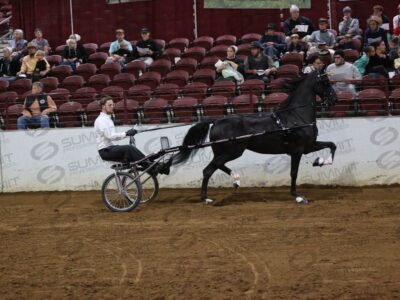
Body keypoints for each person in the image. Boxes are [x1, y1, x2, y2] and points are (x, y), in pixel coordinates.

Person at [94, 96, 171, 175]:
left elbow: (113, 137)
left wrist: (128, 133)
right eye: (109, 105)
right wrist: (127, 133)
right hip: (105, 151)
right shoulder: (101, 120)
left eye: (113, 105)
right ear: (103, 107)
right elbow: (110, 136)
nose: (112, 107)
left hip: (110, 149)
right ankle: (151, 168)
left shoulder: (107, 119)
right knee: (129, 148)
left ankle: (158, 167)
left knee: (132, 150)